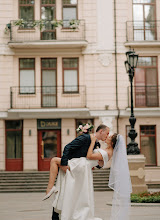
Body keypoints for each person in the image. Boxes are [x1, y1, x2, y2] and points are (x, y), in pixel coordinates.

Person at [43, 124, 110, 219]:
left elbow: (92, 160)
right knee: (63, 193)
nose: (107, 136)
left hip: (78, 170)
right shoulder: (85, 138)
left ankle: (61, 212)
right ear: (101, 131)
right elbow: (67, 147)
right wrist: (65, 164)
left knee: (67, 194)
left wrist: (99, 164)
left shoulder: (96, 143)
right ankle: (55, 215)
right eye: (107, 133)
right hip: (72, 167)